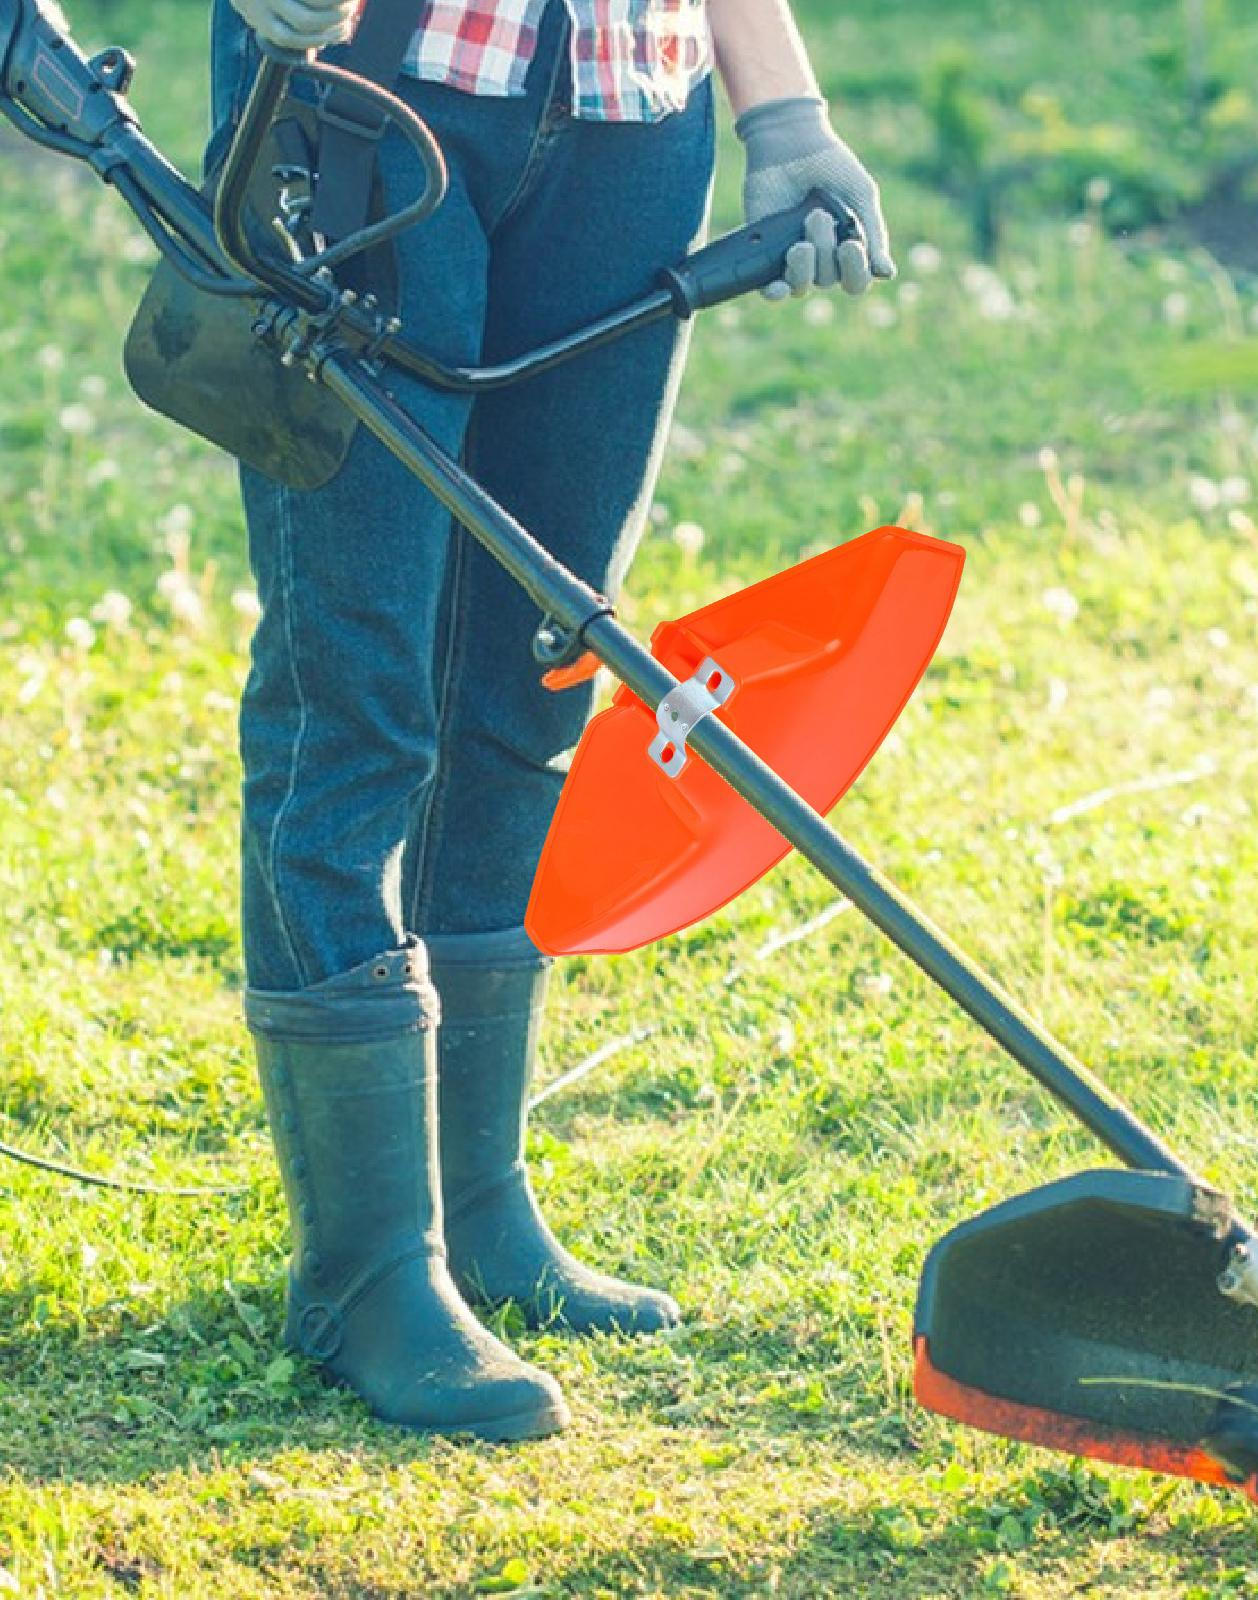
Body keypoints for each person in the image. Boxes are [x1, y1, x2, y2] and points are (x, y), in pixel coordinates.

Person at [208, 0, 893, 1438]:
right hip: (371, 91)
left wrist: (782, 114)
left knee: (534, 665)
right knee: (359, 687)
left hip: (633, 118)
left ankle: (473, 1208)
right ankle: (366, 1271)